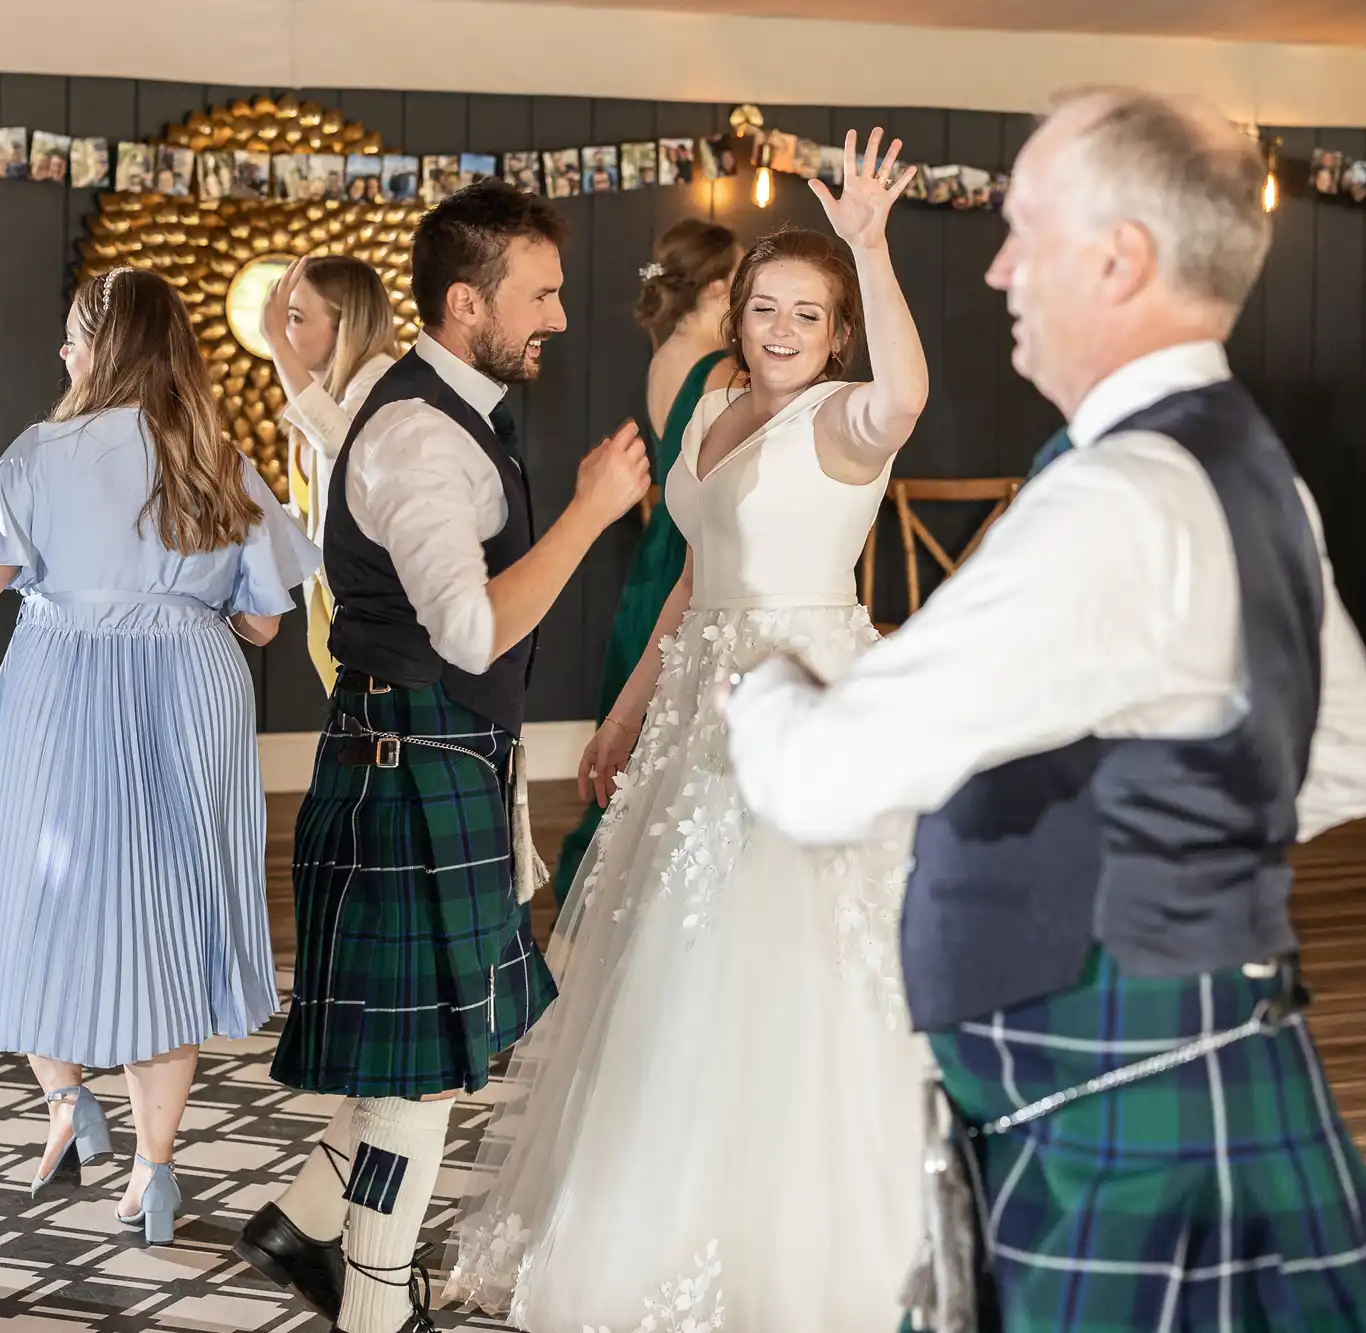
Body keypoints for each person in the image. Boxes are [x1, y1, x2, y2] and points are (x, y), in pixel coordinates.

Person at [723, 89, 1366, 1332]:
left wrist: (760, 683)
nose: (1000, 268)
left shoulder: (1112, 503)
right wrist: (1168, 862)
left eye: (1023, 231)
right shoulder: (1246, 464)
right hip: (1210, 1038)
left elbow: (817, 777)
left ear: (1119, 257)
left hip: (1103, 1096)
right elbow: (1343, 759)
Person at [447, 129, 931, 1331]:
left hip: (797, 702)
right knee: (662, 959)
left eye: (804, 315)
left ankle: (793, 1242)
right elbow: (686, 578)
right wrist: (620, 714)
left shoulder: (842, 421)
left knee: (780, 962)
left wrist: (868, 245)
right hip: (694, 703)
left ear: (836, 334)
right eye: (762, 306)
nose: (775, 329)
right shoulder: (713, 402)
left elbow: (908, 396)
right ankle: (643, 1216)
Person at [234, 179, 650, 1333]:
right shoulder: (420, 430)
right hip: (404, 765)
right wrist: (588, 511)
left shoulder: (434, 405)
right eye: (541, 295)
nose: (558, 318)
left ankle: (308, 1235)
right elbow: (469, 629)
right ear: (467, 304)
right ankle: (373, 1306)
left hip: (426, 757)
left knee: (413, 1062)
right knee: (416, 1081)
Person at [0, 266, 320, 1246]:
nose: (62, 353)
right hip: (190, 692)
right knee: (164, 919)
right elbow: (260, 623)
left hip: (63, 688)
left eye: (74, 336)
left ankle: (65, 1102)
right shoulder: (219, 457)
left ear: (107, 347)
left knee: (36, 899)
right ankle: (154, 1170)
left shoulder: (43, 453)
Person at [552, 218, 741, 900]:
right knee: (683, 717)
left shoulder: (668, 354)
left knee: (654, 719)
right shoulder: (723, 367)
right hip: (689, 550)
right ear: (721, 286)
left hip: (659, 538)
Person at [261, 254, 402, 692]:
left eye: (296, 318)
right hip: (328, 602)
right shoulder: (320, 395)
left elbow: (344, 443)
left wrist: (277, 346)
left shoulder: (383, 382)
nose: (284, 331)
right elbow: (313, 517)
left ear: (345, 324)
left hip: (380, 617)